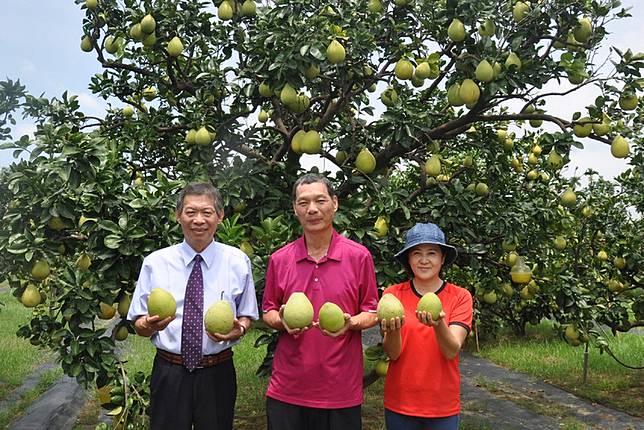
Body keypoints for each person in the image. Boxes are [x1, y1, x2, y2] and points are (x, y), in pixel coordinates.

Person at [127, 182, 259, 430]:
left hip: (217, 372)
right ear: (178, 216)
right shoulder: (156, 262)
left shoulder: (237, 262)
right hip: (170, 372)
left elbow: (247, 315)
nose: (199, 220)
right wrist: (147, 325)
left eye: (207, 212)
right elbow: (138, 323)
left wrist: (239, 329)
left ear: (219, 216)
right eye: (190, 212)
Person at [261, 173, 379, 430]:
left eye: (320, 200)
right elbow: (268, 311)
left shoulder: (358, 257)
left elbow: (371, 312)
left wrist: (350, 323)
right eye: (303, 203)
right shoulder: (280, 259)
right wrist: (281, 320)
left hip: (340, 391)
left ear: (334, 203)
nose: (312, 209)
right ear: (295, 208)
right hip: (287, 389)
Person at [379, 222, 473, 430]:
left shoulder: (460, 297)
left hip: (442, 405)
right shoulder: (392, 296)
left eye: (431, 253)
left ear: (442, 258)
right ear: (409, 259)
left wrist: (439, 325)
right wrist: (393, 331)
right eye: (416, 253)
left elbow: (451, 350)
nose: (424, 260)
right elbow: (393, 354)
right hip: (400, 402)